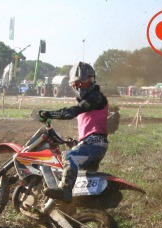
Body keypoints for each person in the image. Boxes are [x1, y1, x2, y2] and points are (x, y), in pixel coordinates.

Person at [38, 62, 109, 202]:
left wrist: (50, 114)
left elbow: (72, 112)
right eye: (77, 85)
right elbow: (90, 126)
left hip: (95, 143)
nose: (80, 87)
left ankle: (65, 190)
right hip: (91, 143)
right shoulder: (90, 100)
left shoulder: (96, 97)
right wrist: (78, 142)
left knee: (69, 156)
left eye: (84, 84)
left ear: (92, 81)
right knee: (81, 181)